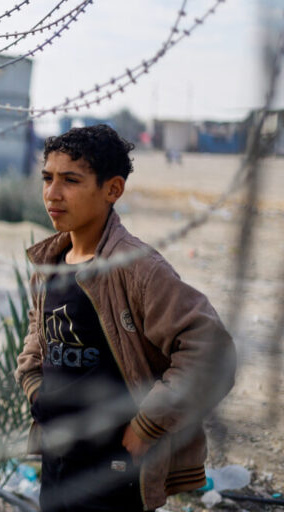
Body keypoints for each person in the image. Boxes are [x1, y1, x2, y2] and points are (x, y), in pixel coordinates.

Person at [14, 124, 236, 512]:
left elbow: (211, 352)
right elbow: (38, 337)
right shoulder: (48, 265)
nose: (52, 193)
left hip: (114, 467)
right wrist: (36, 388)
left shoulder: (137, 269)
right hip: (58, 457)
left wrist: (148, 424)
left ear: (113, 189)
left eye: (71, 180)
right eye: (47, 178)